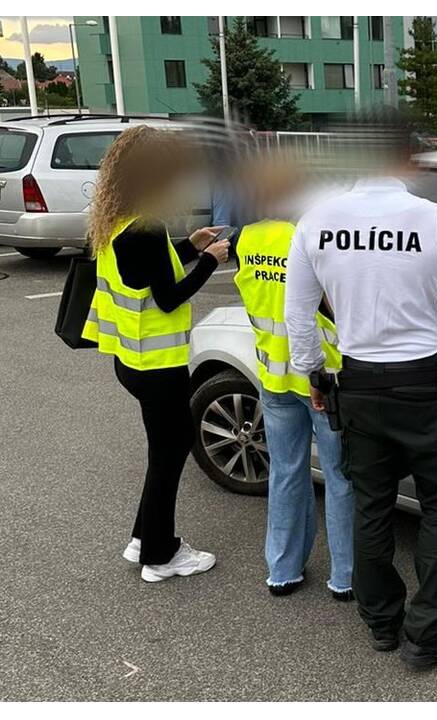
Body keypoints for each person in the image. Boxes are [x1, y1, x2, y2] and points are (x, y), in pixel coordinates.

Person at [284, 121, 437, 667]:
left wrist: (313, 375)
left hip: (358, 386)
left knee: (371, 507)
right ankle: (428, 631)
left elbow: (298, 318)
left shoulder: (315, 223)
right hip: (424, 387)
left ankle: (381, 622)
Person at [81, 125, 231, 583]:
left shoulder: (117, 223)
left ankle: (142, 538)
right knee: (171, 452)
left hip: (131, 359)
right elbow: (168, 298)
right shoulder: (145, 228)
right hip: (158, 366)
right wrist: (211, 261)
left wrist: (191, 245)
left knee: (162, 450)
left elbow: (147, 276)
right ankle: (161, 557)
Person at [232, 161, 355, 600]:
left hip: (273, 374)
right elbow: (334, 308)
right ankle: (345, 577)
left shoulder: (250, 237)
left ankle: (282, 570)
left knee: (285, 472)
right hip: (325, 377)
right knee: (341, 477)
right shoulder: (312, 237)